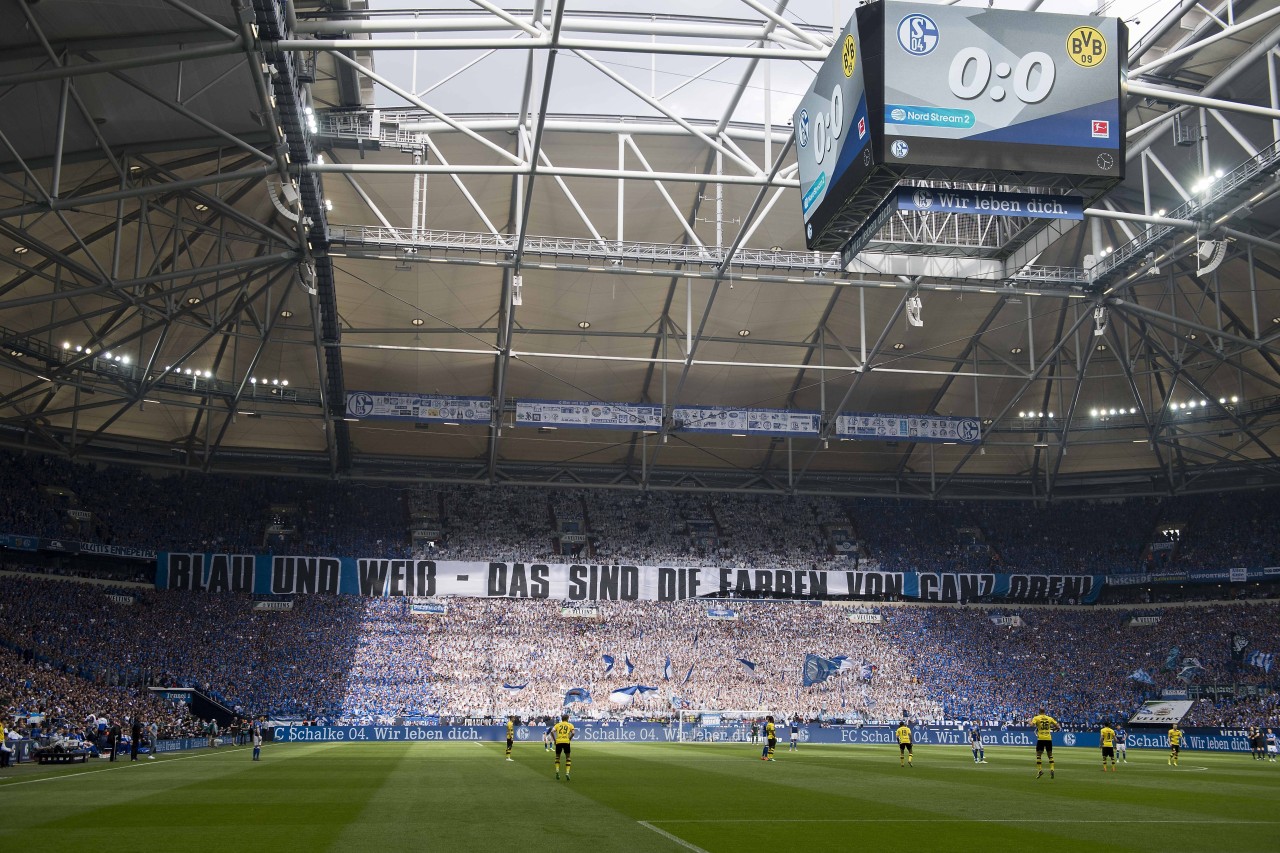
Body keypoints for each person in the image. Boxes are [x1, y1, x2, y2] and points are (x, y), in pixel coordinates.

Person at [1030, 708, 1059, 779]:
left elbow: (1031, 725)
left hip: (1041, 739)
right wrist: (1054, 729)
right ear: (1044, 712)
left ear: (1039, 712)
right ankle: (1052, 769)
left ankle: (1040, 770)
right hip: (1048, 738)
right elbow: (1057, 727)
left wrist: (1029, 721)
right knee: (1050, 755)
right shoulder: (1049, 718)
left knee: (1038, 754)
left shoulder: (1036, 718)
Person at [552, 713, 574, 781]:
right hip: (566, 741)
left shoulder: (557, 725)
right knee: (568, 757)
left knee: (557, 757)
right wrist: (569, 738)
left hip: (559, 742)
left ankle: (557, 770)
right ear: (567, 719)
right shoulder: (570, 725)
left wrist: (555, 740)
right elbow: (573, 733)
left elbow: (552, 732)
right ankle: (567, 773)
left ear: (562, 719)